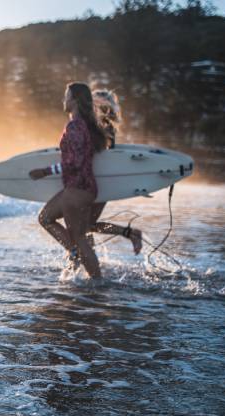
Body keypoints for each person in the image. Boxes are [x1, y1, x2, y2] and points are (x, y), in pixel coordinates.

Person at [29, 82, 106, 280]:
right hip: (80, 188)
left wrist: (45, 172)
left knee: (80, 238)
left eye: (67, 96)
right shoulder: (83, 125)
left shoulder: (75, 126)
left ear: (75, 100)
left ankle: (97, 283)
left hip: (78, 189)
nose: (64, 100)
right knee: (46, 218)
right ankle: (75, 255)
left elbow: (76, 162)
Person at [85, 90, 143, 255]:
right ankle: (85, 257)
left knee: (85, 224)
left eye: (98, 103)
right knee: (85, 225)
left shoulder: (105, 127)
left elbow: (105, 156)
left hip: (100, 181)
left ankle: (130, 234)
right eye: (94, 103)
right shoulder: (94, 125)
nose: (95, 106)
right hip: (92, 179)